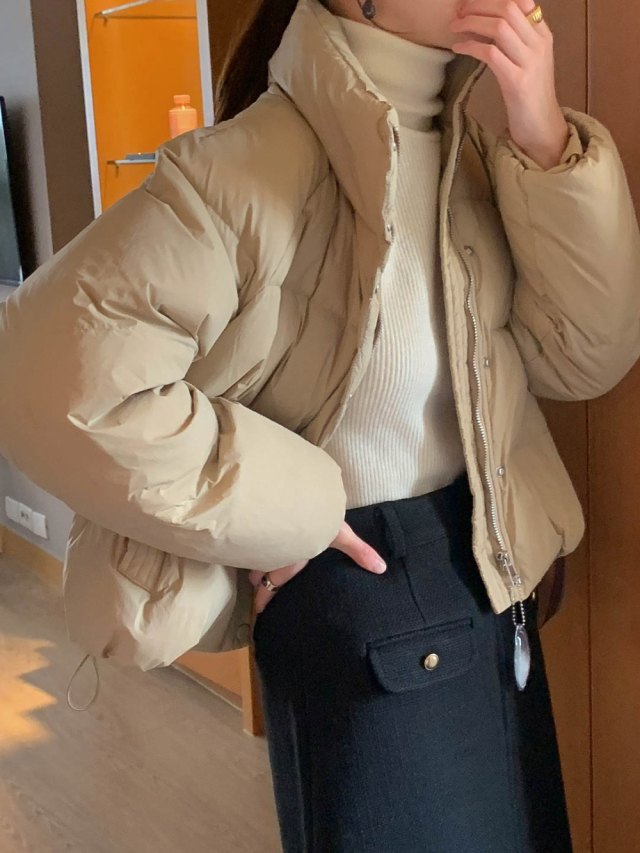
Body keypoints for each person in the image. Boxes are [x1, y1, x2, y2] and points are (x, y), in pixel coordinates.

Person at [0, 0, 638, 850]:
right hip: (363, 591)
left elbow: (585, 358)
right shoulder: (249, 164)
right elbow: (45, 379)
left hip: (494, 581)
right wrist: (293, 504)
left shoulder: (474, 153)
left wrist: (547, 139)